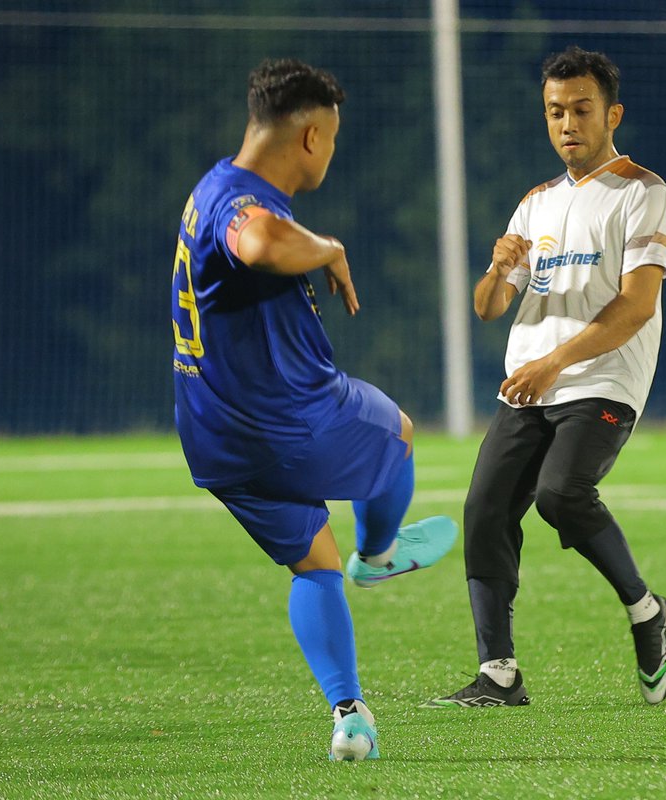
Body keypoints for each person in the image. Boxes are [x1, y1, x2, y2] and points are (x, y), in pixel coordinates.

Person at [170, 58, 456, 761]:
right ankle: (381, 553)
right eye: (331, 138)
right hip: (288, 424)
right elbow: (258, 241)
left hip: (213, 441)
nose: (331, 150)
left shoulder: (210, 188)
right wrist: (328, 246)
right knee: (399, 432)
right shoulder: (243, 207)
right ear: (310, 137)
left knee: (313, 565)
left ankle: (350, 716)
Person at [426, 46, 666, 709]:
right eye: (555, 111)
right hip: (530, 383)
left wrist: (552, 362)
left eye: (581, 109)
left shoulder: (642, 192)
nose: (568, 123)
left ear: (611, 114)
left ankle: (648, 611)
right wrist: (495, 268)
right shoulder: (535, 204)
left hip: (599, 379)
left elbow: (637, 305)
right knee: (484, 512)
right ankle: (499, 674)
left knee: (562, 495)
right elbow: (490, 307)